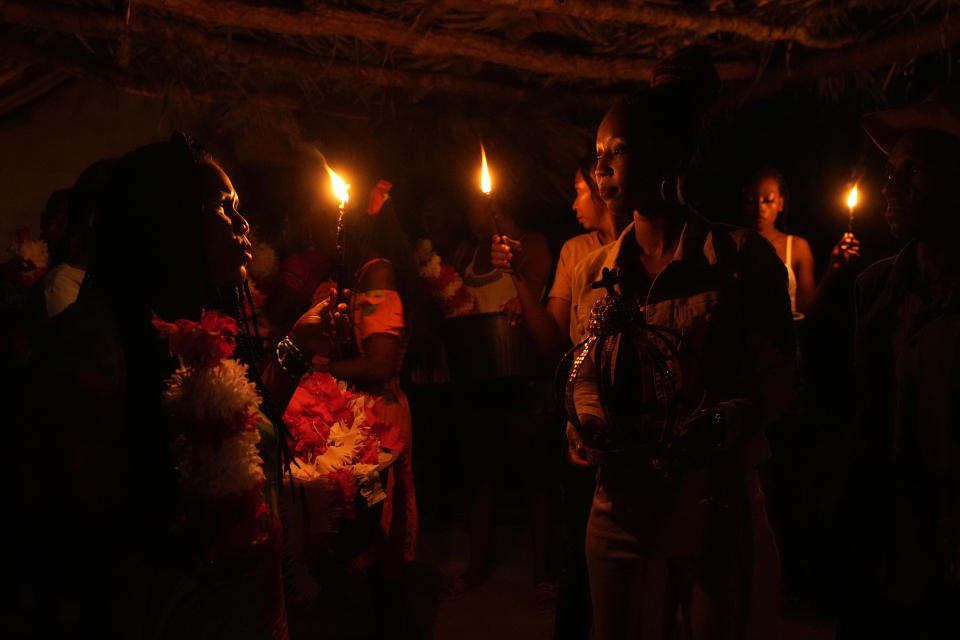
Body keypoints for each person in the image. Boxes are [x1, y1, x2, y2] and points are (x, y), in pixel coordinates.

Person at [14, 134, 336, 638]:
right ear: (168, 219)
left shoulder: (193, 327)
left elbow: (241, 442)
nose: (244, 223)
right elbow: (81, 535)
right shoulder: (97, 340)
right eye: (223, 207)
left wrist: (296, 347)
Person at [562, 46, 795, 639]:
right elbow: (583, 383)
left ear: (666, 154)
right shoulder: (592, 274)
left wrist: (719, 425)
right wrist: (584, 431)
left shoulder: (740, 261)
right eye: (597, 155)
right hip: (618, 511)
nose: (602, 168)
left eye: (618, 150)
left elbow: (783, 385)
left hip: (712, 504)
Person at [839, 86, 960, 638]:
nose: (890, 184)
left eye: (912, 173)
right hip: (892, 534)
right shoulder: (877, 289)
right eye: (890, 170)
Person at [492, 154, 622, 357]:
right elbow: (552, 343)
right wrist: (518, 275)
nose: (574, 205)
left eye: (579, 192)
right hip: (587, 382)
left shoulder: (641, 242)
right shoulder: (575, 251)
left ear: (600, 188)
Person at [741, 168, 860, 318]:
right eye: (751, 201)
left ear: (780, 204)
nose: (760, 207)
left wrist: (833, 269)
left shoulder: (797, 247)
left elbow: (806, 310)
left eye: (768, 200)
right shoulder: (729, 244)